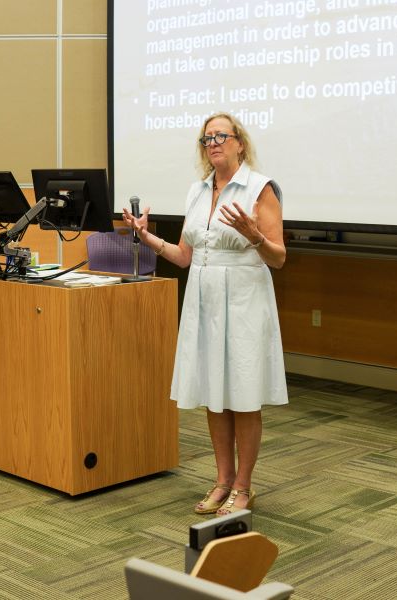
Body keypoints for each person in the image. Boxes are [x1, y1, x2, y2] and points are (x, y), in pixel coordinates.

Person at [123, 112, 288, 515]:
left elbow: (279, 258)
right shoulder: (197, 191)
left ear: (239, 143)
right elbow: (184, 256)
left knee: (244, 397)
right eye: (206, 138)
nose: (212, 143)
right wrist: (148, 238)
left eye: (220, 136)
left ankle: (244, 488)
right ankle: (222, 481)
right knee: (216, 394)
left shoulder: (260, 188)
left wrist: (255, 236)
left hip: (245, 300)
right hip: (204, 299)